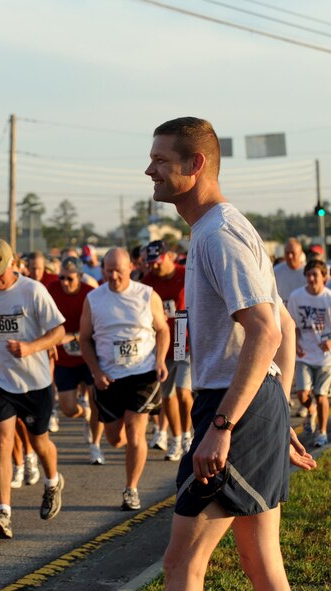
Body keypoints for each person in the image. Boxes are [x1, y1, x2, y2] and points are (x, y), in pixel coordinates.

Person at [147, 117, 315, 591]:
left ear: (195, 164)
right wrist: (274, 416)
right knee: (260, 559)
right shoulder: (222, 228)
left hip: (229, 406)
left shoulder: (219, 234)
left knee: (182, 564)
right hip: (249, 405)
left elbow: (265, 332)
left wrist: (223, 427)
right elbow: (279, 323)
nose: (149, 170)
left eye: (161, 160)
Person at [0, 237, 67, 539]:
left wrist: (30, 348)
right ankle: (3, 512)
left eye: (0, 272)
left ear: (12, 263)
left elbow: (59, 331)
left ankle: (52, 483)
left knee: (39, 443)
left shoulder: (32, 291)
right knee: (2, 442)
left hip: (35, 381)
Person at [79, 248, 170, 511]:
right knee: (115, 439)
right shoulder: (94, 298)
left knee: (135, 428)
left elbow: (162, 329)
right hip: (109, 376)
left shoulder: (146, 295)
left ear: (131, 267)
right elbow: (84, 339)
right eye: (108, 271)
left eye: (119, 270)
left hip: (142, 372)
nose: (114, 276)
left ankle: (131, 489)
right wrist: (96, 372)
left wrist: (160, 360)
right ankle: (130, 448)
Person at [46, 256, 104, 465]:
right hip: (64, 358)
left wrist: (75, 336)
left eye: (69, 278)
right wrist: (49, 339)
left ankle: (95, 446)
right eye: (61, 277)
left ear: (80, 277)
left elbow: (99, 324)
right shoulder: (51, 290)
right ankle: (84, 413)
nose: (65, 282)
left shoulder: (90, 294)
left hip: (89, 355)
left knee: (96, 400)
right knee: (68, 409)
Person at [142, 240, 194, 461]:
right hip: (161, 341)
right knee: (167, 394)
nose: (154, 267)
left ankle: (189, 436)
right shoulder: (148, 281)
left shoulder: (185, 273)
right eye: (150, 263)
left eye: (157, 262)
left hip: (184, 335)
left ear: (169, 257)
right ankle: (177, 438)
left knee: (183, 391)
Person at [286, 259, 331, 447]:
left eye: (315, 275)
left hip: (325, 358)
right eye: (309, 274)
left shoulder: (328, 297)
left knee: (321, 395)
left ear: (324, 277)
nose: (311, 278)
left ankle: (321, 432)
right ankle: (310, 410)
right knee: (303, 395)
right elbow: (291, 324)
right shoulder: (296, 297)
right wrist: (294, 344)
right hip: (304, 354)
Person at [274, 238, 305, 305]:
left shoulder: (308, 273)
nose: (290, 256)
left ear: (300, 253)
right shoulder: (276, 271)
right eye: (287, 253)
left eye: (293, 253)